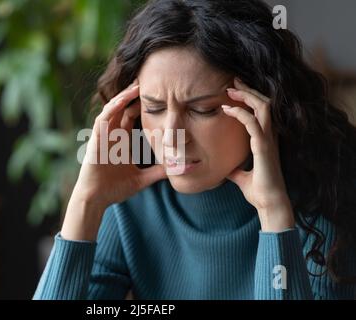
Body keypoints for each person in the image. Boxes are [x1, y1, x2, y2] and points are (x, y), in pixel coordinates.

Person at [33, 0, 356, 299]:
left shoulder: (322, 208)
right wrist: (86, 203)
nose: (171, 136)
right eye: (154, 108)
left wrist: (274, 213)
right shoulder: (131, 207)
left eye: (202, 110)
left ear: (260, 106)